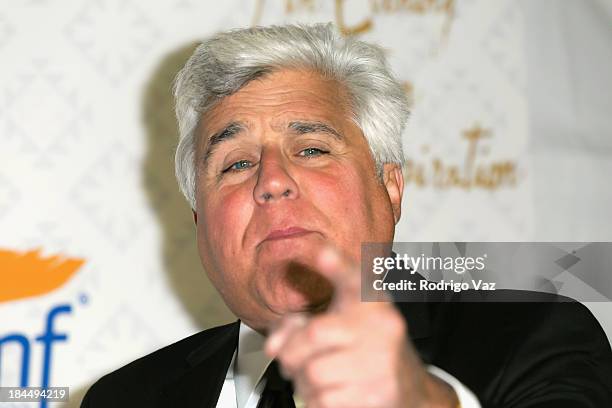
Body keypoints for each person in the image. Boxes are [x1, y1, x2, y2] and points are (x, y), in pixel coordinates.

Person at [81, 23, 612, 407]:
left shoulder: (530, 333)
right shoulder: (126, 396)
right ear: (200, 222)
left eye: (311, 149)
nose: (271, 181)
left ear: (391, 187)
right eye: (236, 163)